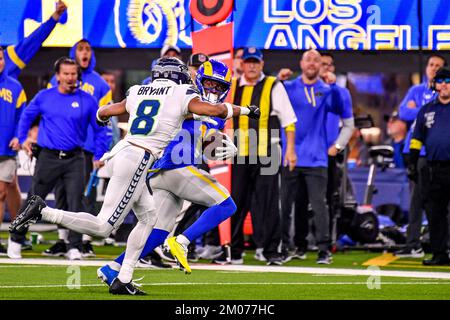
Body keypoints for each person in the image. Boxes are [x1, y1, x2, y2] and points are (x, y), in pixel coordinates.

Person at [10, 57, 260, 295]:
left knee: (149, 219)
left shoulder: (138, 91)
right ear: (177, 77)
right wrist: (248, 110)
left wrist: (100, 117)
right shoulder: (181, 93)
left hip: (129, 154)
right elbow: (213, 110)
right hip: (141, 157)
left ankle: (122, 276)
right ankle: (43, 211)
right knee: (103, 226)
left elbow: (105, 112)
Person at [97, 59, 238, 284]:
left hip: (162, 172)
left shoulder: (205, 107)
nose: (213, 90)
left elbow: (205, 140)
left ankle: (114, 267)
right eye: (210, 84)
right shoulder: (186, 95)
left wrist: (221, 144)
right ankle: (182, 241)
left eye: (219, 87)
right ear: (199, 80)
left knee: (159, 232)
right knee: (226, 205)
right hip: (176, 166)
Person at [8, 57, 109, 259]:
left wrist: (99, 154)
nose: (70, 77)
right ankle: (15, 240)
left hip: (76, 158)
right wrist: (22, 138)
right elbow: (26, 116)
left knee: (76, 204)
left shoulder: (88, 100)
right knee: (34, 200)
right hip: (48, 157)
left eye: (73, 74)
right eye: (66, 74)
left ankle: (74, 247)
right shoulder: (44, 96)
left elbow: (100, 130)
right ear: (58, 76)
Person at [214, 47, 298, 266]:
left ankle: (272, 252)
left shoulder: (273, 85)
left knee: (270, 203)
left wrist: (290, 150)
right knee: (234, 203)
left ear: (261, 64)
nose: (251, 65)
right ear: (241, 63)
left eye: (255, 62)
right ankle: (234, 251)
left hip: (267, 153)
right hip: (237, 153)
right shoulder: (231, 87)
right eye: (248, 61)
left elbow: (288, 120)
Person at [3, 0, 67, 255]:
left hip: (3, 138)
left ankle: (18, 232)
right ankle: (19, 232)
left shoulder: (5, 61)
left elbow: (29, 45)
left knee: (5, 185)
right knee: (9, 185)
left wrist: (53, 19)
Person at [281, 49, 353, 265]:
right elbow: (269, 104)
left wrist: (337, 146)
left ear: (322, 65)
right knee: (288, 205)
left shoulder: (327, 90)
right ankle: (287, 247)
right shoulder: (288, 87)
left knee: (320, 205)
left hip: (317, 158)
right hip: (291, 156)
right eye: (308, 59)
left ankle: (324, 250)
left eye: (316, 60)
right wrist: (276, 80)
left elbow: (346, 116)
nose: (312, 63)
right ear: (301, 64)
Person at [44, 39, 113, 258]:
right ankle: (63, 240)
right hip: (63, 146)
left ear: (91, 54)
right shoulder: (60, 78)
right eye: (80, 49)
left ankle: (85, 240)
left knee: (83, 196)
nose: (84, 53)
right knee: (61, 194)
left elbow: (107, 120)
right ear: (74, 52)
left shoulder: (100, 84)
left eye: (87, 49)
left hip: (88, 149)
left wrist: (102, 151)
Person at [395, 54, 447, 258]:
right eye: (431, 65)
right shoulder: (416, 90)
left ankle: (441, 246)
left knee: (439, 203)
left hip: (436, 155)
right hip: (416, 153)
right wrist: (422, 111)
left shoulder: (443, 94)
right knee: (416, 201)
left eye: (438, 66)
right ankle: (413, 243)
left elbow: (414, 113)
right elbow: (402, 113)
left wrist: (416, 110)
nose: (434, 68)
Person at [408, 67, 450, 266]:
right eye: (440, 80)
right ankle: (439, 254)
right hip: (433, 169)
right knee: (435, 214)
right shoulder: (426, 110)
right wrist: (412, 163)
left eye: (448, 80)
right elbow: (416, 139)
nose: (444, 84)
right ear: (435, 84)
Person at [0, 48, 27, 255]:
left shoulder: (15, 87)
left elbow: (22, 117)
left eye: (0, 58)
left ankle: (9, 235)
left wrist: (20, 137)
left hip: (6, 150)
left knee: (1, 192)